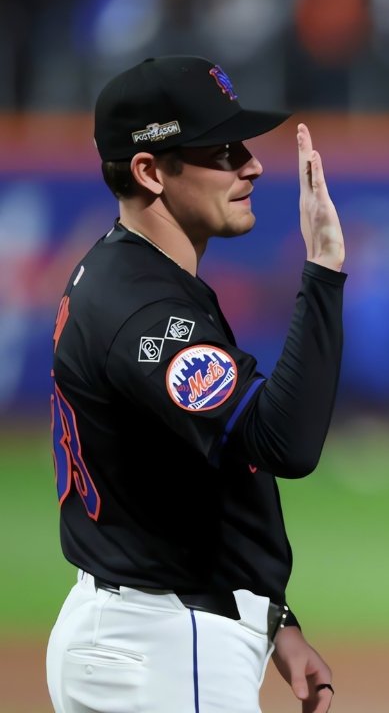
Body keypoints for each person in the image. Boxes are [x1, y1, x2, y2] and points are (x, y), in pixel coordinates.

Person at [46, 56, 346, 713]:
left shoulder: (136, 278)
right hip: (159, 644)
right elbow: (285, 443)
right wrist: (322, 270)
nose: (252, 165)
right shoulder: (147, 312)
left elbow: (205, 482)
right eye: (221, 149)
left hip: (149, 628)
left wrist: (277, 621)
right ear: (151, 171)